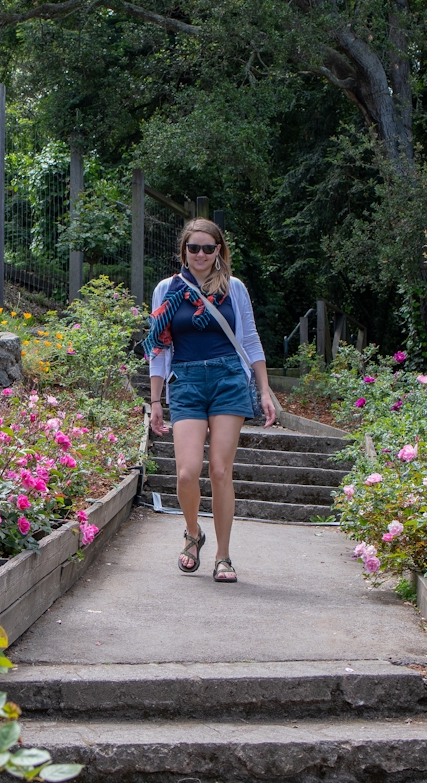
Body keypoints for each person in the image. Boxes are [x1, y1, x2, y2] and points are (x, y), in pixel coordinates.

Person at [143, 218, 275, 583]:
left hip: (228, 379)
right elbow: (158, 346)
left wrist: (264, 390)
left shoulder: (234, 289)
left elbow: (250, 340)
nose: (200, 254)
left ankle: (223, 555)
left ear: (219, 251)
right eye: (193, 248)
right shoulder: (167, 290)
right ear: (183, 250)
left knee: (219, 470)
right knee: (186, 472)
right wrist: (155, 401)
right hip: (185, 379)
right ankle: (193, 533)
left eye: (208, 248)